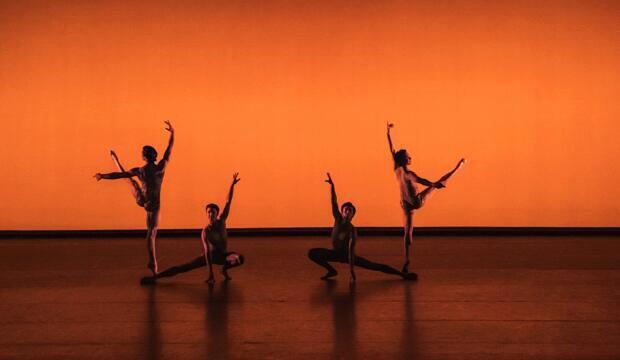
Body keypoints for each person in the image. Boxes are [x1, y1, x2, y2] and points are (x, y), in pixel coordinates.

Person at [94, 120, 174, 275]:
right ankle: (153, 263)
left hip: (144, 201)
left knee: (129, 180)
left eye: (142, 153)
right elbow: (169, 150)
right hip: (151, 204)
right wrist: (173, 132)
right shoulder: (160, 167)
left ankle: (153, 263)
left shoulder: (142, 170)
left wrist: (102, 175)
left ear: (145, 156)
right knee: (151, 234)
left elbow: (120, 175)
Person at [387, 122, 465, 274]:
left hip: (405, 204)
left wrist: (388, 134)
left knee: (407, 232)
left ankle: (406, 259)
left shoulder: (396, 169)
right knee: (441, 181)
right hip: (416, 201)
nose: (411, 157)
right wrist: (434, 184)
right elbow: (421, 180)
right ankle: (458, 168)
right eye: (409, 156)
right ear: (404, 160)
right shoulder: (409, 174)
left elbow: (391, 151)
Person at [308, 173, 416, 282]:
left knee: (374, 266)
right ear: (342, 212)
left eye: (350, 210)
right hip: (335, 253)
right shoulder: (338, 220)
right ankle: (332, 271)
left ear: (353, 215)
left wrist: (352, 272)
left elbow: (350, 251)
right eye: (345, 210)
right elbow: (334, 202)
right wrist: (332, 186)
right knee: (312, 253)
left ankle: (403, 275)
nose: (347, 211)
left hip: (347, 256)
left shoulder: (352, 230)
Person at [140, 173, 244, 285]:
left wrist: (232, 185)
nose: (210, 214)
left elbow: (228, 202)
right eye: (208, 212)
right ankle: (155, 277)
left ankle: (223, 269)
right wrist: (210, 274)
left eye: (213, 212)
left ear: (217, 214)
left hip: (223, 256)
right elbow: (207, 254)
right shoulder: (206, 232)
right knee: (184, 267)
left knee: (239, 258)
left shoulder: (222, 221)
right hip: (210, 256)